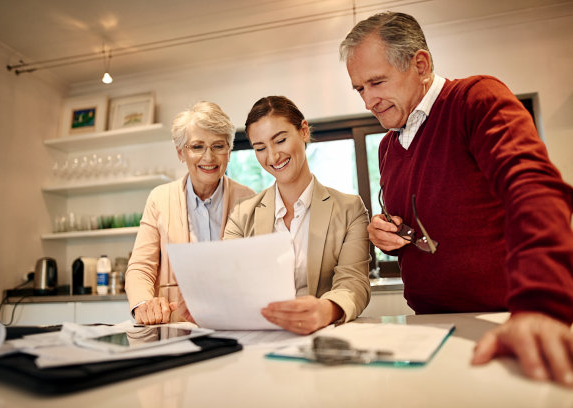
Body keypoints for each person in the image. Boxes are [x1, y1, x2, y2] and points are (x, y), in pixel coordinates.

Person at [340, 11, 573, 386]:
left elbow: (533, 189)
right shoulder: (386, 146)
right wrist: (391, 238)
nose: (369, 100)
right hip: (428, 327)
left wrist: (541, 305)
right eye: (359, 89)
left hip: (508, 321)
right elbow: (423, 229)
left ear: (420, 64)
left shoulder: (475, 99)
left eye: (376, 82)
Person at [224, 96, 371, 335]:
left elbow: (354, 282)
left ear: (303, 131)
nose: (272, 157)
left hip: (322, 337)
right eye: (260, 148)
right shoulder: (242, 214)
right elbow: (227, 279)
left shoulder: (349, 209)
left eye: (280, 140)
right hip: (260, 339)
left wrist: (326, 309)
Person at [125, 101, 254, 325]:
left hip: (233, 326)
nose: (209, 157)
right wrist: (144, 304)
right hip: (174, 328)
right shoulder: (159, 198)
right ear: (180, 153)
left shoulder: (248, 199)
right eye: (197, 147)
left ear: (229, 152)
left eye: (218, 146)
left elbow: (256, 268)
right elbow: (140, 267)